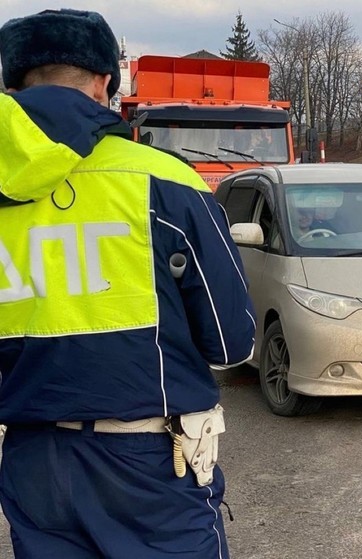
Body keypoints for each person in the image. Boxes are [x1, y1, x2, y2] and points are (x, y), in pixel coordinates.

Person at [0, 9, 255, 559]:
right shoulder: (165, 179)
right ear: (106, 82)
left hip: (31, 461)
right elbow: (231, 344)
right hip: (149, 465)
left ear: (11, 85)